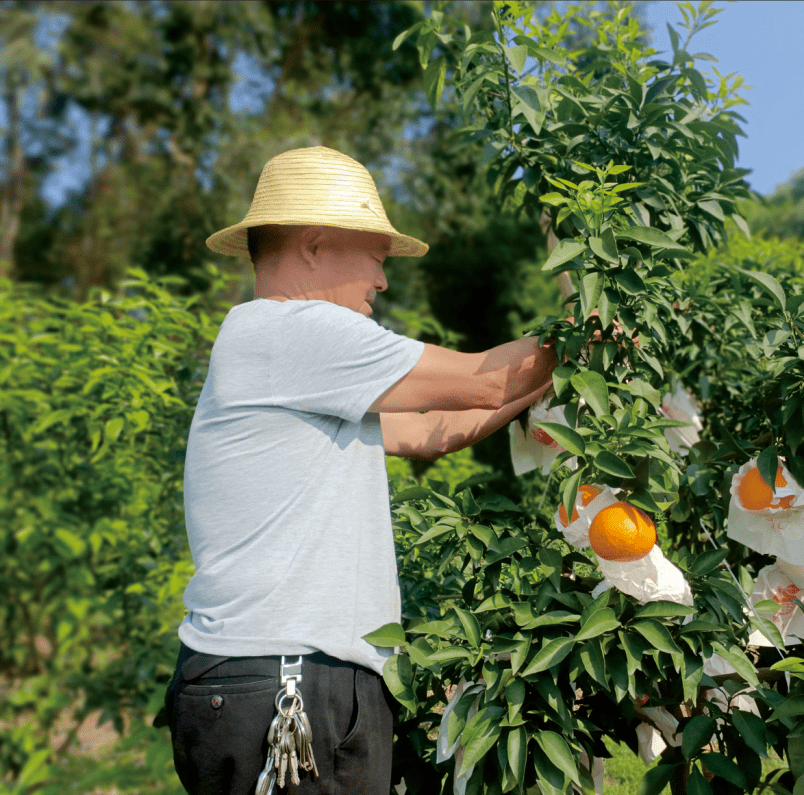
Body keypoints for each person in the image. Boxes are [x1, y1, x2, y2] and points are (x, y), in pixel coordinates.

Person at [164, 146, 561, 794]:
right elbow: (483, 381)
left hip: (297, 678)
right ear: (316, 246)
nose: (383, 278)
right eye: (377, 253)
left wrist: (550, 374)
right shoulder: (291, 331)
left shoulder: (296, 365)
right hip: (283, 681)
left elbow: (445, 424)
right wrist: (582, 330)